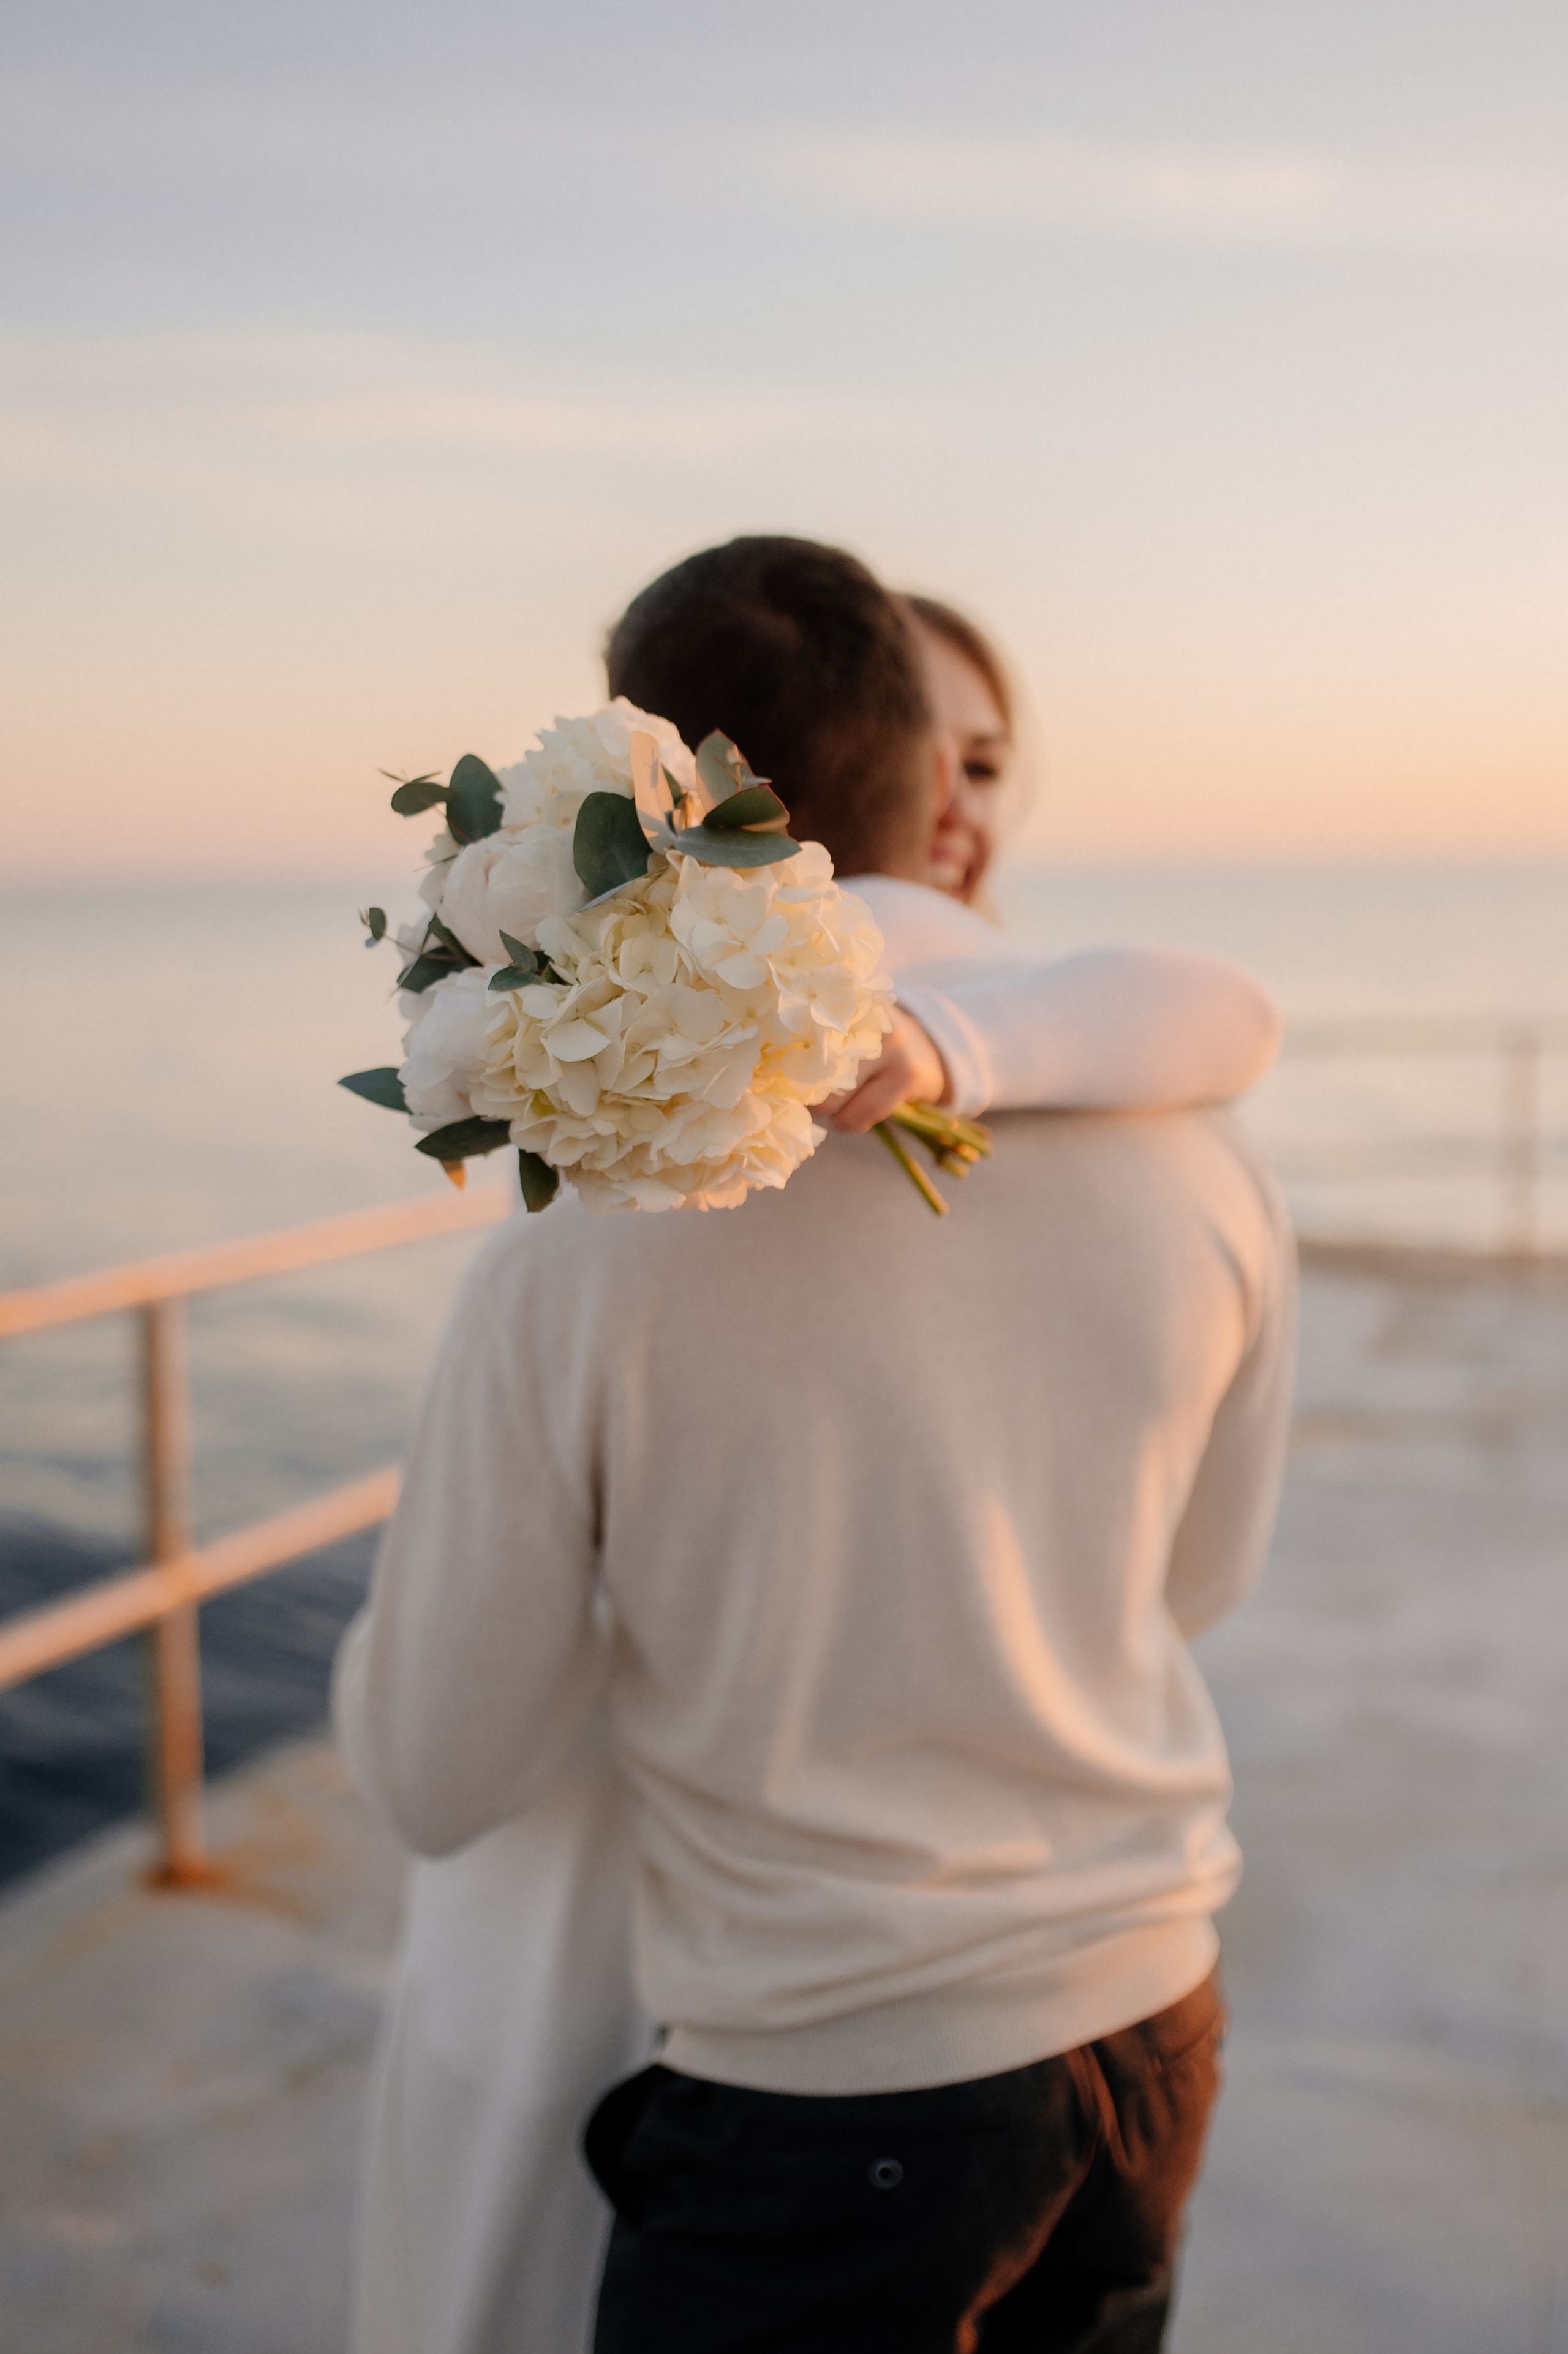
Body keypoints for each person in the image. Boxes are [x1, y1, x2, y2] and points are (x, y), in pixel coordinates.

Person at [336, 537, 1292, 2354]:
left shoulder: (597, 1231)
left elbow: (439, 1776)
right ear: (941, 783)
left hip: (833, 2106)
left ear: (637, 813)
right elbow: (1200, 1580)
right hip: (1152, 2024)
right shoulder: (1203, 1147)